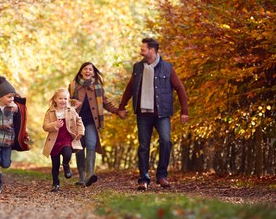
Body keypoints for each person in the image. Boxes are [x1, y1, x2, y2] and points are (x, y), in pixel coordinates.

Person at [118, 38, 189, 190]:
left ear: (152, 50)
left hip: (161, 114)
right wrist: (122, 106)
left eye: (143, 49)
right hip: (143, 114)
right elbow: (130, 88)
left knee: (166, 141)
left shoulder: (167, 67)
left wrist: (185, 111)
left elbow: (180, 88)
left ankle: (162, 176)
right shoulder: (138, 67)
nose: (141, 51)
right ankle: (143, 179)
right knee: (144, 146)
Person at [69, 62, 126, 187]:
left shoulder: (97, 87)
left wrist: (117, 111)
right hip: (77, 122)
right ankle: (82, 177)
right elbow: (67, 103)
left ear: (93, 73)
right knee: (79, 148)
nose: (88, 71)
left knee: (91, 144)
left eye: (90, 69)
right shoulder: (73, 86)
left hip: (91, 122)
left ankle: (90, 175)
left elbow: (106, 103)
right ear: (81, 71)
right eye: (85, 69)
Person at [42, 88, 85, 192]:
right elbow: (45, 126)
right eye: (60, 98)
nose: (63, 101)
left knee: (67, 153)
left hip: (66, 139)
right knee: (55, 165)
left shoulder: (71, 110)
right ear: (55, 99)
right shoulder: (50, 112)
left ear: (68, 99)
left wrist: (81, 131)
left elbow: (79, 121)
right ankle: (55, 184)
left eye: (65, 98)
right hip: (54, 141)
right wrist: (55, 125)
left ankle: (66, 164)